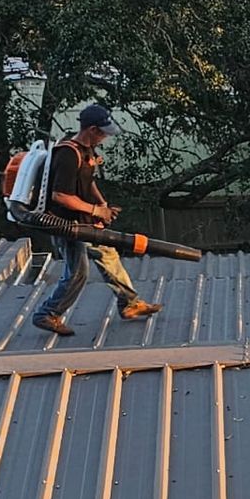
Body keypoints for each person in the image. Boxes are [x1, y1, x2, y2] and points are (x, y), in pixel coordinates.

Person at [30, 103, 162, 337]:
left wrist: (101, 206)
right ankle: (47, 313)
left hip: (84, 221)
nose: (105, 137)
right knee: (77, 272)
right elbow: (60, 196)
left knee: (108, 254)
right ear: (91, 129)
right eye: (103, 132)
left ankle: (129, 303)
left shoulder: (86, 151)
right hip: (65, 224)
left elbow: (88, 181)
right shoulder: (68, 154)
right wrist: (95, 210)